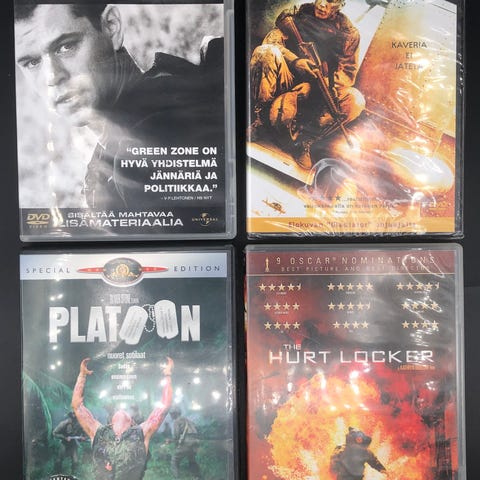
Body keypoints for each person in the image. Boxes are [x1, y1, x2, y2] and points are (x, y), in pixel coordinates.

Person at [14, 3, 223, 209]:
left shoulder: (159, 127)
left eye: (66, 47)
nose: (51, 77)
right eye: (32, 62)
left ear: (111, 26)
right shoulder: (120, 141)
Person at [249, 0, 365, 168]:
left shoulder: (348, 34)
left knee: (356, 100)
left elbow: (346, 74)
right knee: (264, 52)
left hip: (319, 92)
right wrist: (295, 61)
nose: (322, 4)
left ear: (341, 4)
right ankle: (261, 121)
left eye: (331, 1)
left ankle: (305, 141)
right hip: (285, 81)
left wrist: (314, 86)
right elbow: (271, 42)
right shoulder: (295, 15)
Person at [71, 357, 173, 480]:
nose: (121, 410)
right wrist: (82, 376)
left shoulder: (141, 432)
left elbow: (164, 406)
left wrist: (167, 375)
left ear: (132, 422)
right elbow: (77, 407)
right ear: (110, 421)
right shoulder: (98, 431)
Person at [169, 406, 202, 479]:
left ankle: (177, 478)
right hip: (196, 442)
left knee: (174, 460)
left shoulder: (177, 421)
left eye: (171, 414)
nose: (171, 415)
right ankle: (197, 477)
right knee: (191, 459)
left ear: (175, 414)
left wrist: (174, 444)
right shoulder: (188, 420)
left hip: (187, 442)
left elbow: (176, 436)